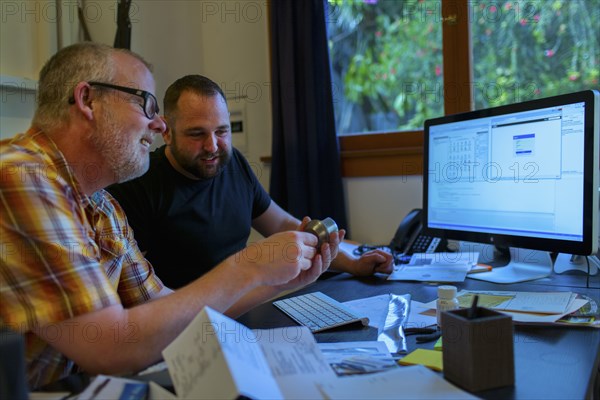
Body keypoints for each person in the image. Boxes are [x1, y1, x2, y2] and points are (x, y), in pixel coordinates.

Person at [0, 43, 341, 389]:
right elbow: (110, 346)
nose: (159, 123)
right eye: (145, 103)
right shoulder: (21, 178)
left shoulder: (101, 205)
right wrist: (249, 265)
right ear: (88, 100)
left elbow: (166, 308)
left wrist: (278, 281)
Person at [107, 74, 394, 289]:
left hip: (246, 307)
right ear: (166, 132)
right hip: (188, 327)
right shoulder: (138, 186)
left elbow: (282, 225)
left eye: (222, 131)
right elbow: (132, 292)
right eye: (197, 134)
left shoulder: (233, 164)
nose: (213, 146)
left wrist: (354, 264)